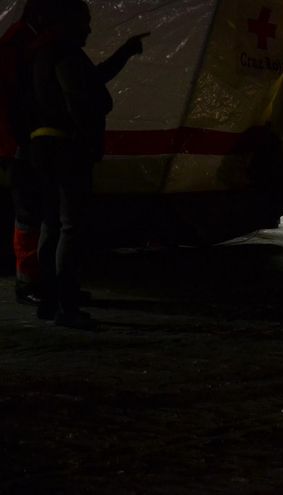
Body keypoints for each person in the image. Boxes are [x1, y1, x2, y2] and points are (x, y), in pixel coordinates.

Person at [29, 0, 148, 328]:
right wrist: (88, 138)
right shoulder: (65, 53)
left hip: (41, 146)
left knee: (51, 225)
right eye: (84, 22)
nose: (89, 29)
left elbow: (92, 79)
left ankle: (49, 300)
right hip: (65, 148)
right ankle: (67, 307)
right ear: (68, 22)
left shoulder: (41, 53)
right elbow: (80, 94)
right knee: (71, 226)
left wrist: (124, 52)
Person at [0, 0, 54, 306]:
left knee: (30, 211)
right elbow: (14, 99)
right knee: (28, 212)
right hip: (20, 144)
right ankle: (28, 280)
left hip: (19, 143)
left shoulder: (20, 42)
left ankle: (32, 278)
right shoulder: (20, 46)